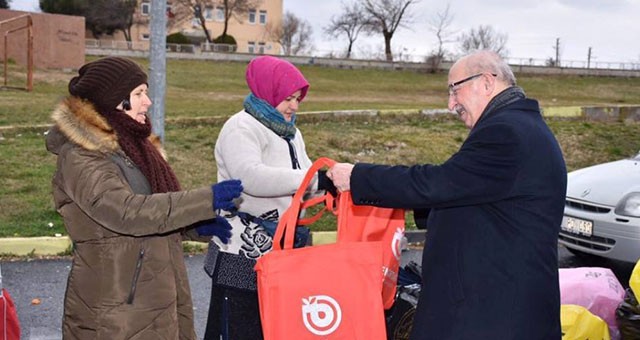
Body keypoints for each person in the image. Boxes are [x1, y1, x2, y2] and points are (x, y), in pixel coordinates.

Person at [328, 50, 567, 340]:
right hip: (498, 307)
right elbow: (472, 195)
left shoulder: (506, 132)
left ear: (487, 83)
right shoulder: (519, 126)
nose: (451, 104)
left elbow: (438, 183)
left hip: (494, 315)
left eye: (455, 89)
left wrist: (357, 178)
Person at [45, 56, 243, 340]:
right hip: (116, 305)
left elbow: (153, 209)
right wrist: (204, 199)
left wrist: (193, 225)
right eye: (138, 93)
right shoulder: (82, 155)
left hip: (156, 296)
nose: (147, 102)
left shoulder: (137, 148)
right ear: (113, 99)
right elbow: (124, 212)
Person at [203, 55, 335, 340]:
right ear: (267, 90)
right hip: (241, 249)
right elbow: (250, 177)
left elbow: (304, 171)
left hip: (281, 247)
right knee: (237, 327)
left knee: (273, 327)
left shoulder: (290, 132)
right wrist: (313, 179)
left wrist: (327, 186)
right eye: (288, 98)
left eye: (298, 99)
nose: (294, 106)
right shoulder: (241, 127)